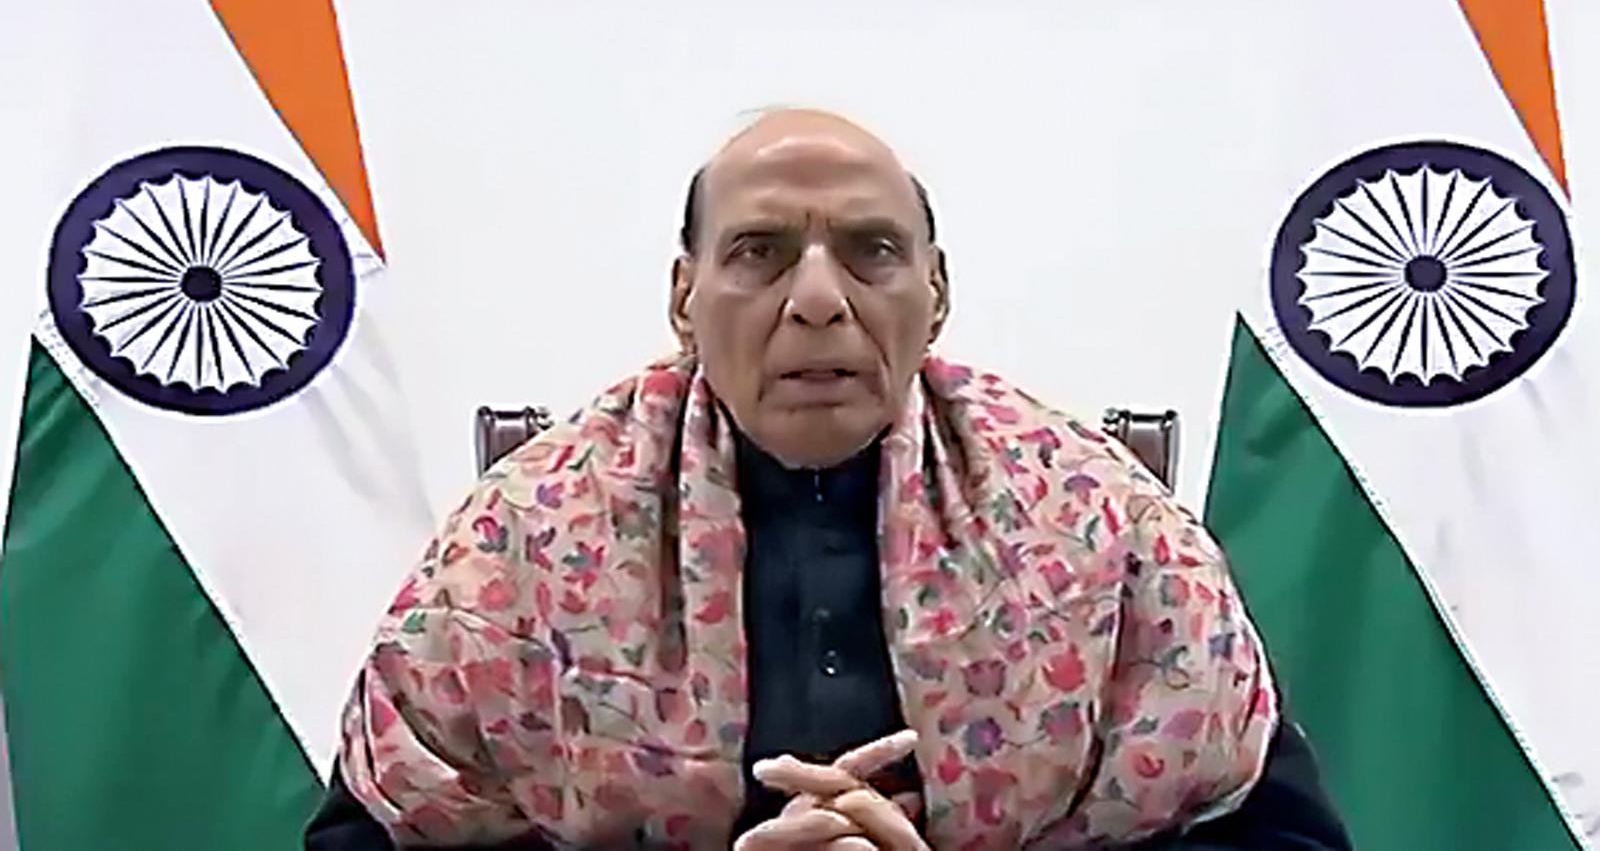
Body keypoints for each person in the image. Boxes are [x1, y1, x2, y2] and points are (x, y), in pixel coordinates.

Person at [307, 110, 1351, 850]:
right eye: (760, 252)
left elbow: (1279, 837)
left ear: (936, 292)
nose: (817, 299)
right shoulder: (529, 533)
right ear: (684, 298)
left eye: (871, 251)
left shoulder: (1099, 523)